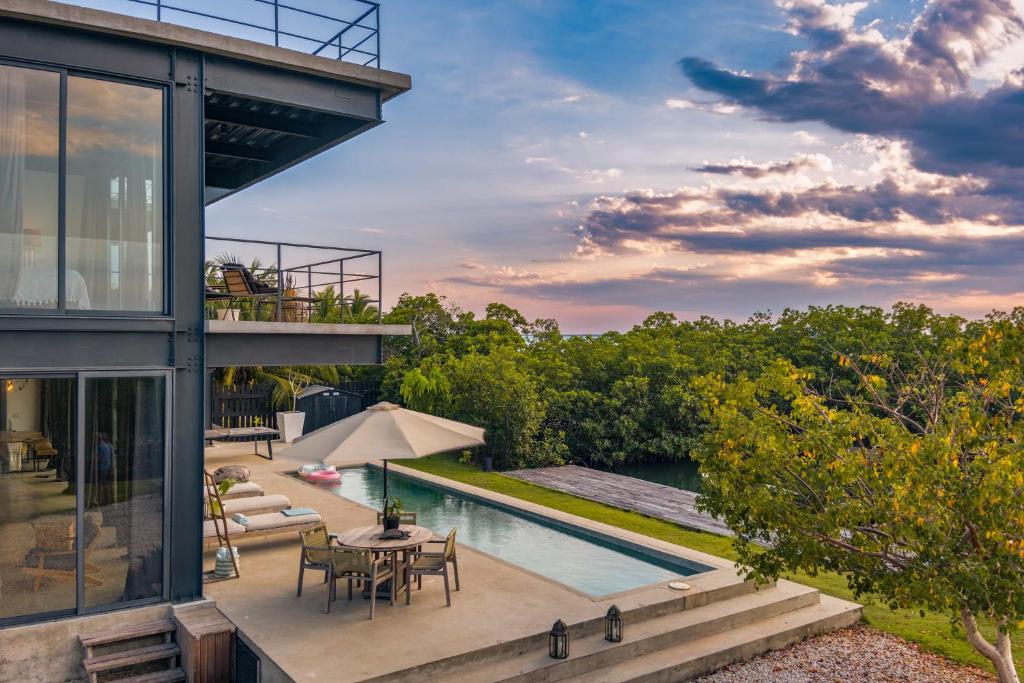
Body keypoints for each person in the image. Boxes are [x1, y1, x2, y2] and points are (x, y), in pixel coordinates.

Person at [95, 432, 113, 505]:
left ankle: (101, 500)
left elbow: (98, 458)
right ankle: (108, 499)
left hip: (102, 468)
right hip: (107, 467)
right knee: (107, 483)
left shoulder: (99, 446)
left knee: (101, 484)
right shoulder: (108, 446)